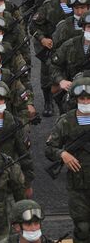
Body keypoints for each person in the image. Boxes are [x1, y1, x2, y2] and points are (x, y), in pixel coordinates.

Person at [45, 76, 90, 242]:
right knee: (83, 227)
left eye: (88, 98)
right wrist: (62, 154)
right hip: (77, 184)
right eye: (82, 98)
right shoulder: (66, 121)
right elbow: (49, 148)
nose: (85, 101)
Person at [30, 0, 80, 117]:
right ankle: (48, 102)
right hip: (52, 48)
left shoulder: (80, 7)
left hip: (73, 49)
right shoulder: (49, 5)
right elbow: (33, 25)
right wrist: (42, 39)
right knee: (48, 79)